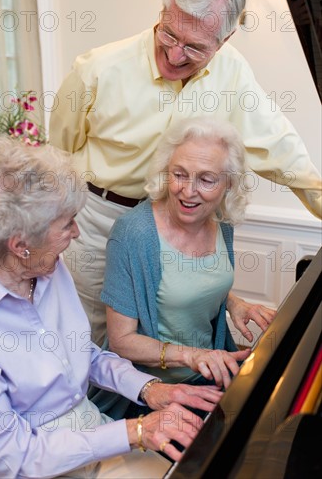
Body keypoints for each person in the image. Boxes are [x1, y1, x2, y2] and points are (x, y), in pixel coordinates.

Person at [49, 0, 322, 345]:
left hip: (178, 224)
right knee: (94, 338)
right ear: (162, 12)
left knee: (170, 339)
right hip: (100, 222)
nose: (176, 56)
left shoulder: (233, 72)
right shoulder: (97, 69)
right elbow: (59, 152)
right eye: (170, 35)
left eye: (195, 47)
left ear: (223, 41)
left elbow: (281, 148)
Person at [0, 136, 225, 479]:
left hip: (88, 428)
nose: (77, 232)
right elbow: (14, 454)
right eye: (67, 223)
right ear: (20, 245)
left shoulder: (43, 265)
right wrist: (135, 431)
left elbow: (82, 353)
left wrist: (149, 388)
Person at [97, 118, 276, 418]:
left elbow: (193, 279)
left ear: (228, 183)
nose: (188, 191)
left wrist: (234, 303)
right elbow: (121, 341)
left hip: (208, 372)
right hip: (152, 391)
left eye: (206, 180)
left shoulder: (221, 220)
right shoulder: (134, 233)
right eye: (179, 174)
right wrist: (193, 356)